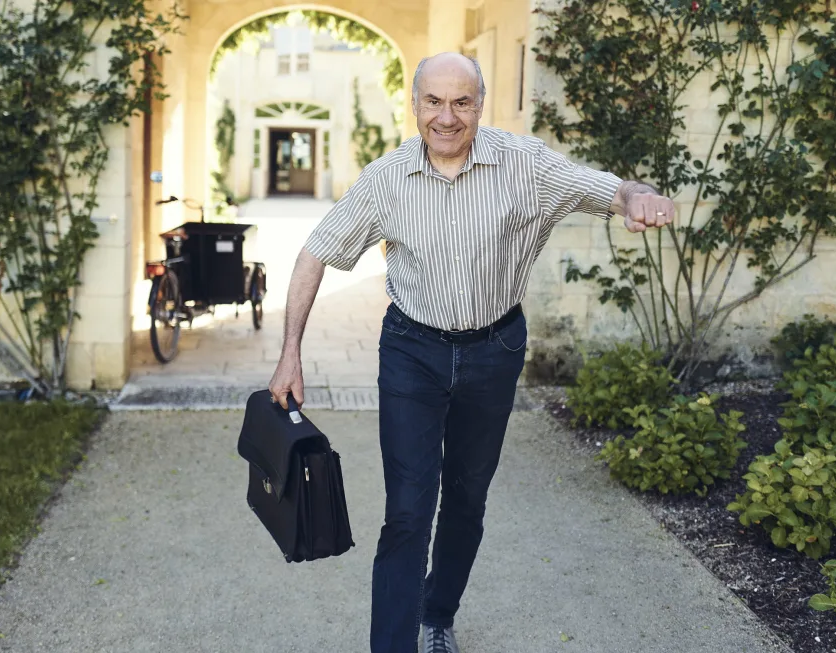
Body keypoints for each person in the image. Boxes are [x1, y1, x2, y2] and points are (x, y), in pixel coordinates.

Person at [267, 52, 675, 653]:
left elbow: (606, 189)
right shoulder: (387, 178)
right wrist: (290, 352)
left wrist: (637, 197)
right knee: (408, 510)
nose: (447, 117)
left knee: (465, 499)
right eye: (434, 101)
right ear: (415, 105)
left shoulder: (525, 165)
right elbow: (316, 251)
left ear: (480, 105)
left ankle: (438, 617)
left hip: (494, 350)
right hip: (412, 352)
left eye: (461, 102)